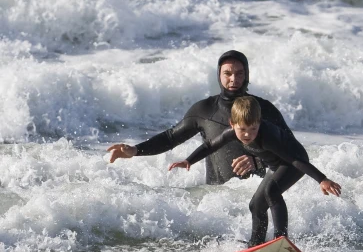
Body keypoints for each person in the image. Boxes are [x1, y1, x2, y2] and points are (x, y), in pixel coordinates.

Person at [170, 96, 342, 246]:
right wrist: (188, 160)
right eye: (242, 129)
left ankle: (282, 239)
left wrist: (321, 179)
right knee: (256, 205)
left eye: (253, 128)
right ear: (232, 123)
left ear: (259, 123)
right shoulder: (232, 132)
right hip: (276, 165)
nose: (247, 134)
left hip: (294, 162)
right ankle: (256, 243)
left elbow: (294, 160)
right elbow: (210, 145)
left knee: (271, 192)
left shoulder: (267, 137)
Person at [106, 50, 293, 184]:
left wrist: (258, 161)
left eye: (239, 73)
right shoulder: (204, 110)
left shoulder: (264, 109)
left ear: (247, 75)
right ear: (219, 75)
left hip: (256, 195)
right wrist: (135, 150)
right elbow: (171, 138)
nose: (233, 79)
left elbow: (292, 149)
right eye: (227, 73)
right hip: (216, 201)